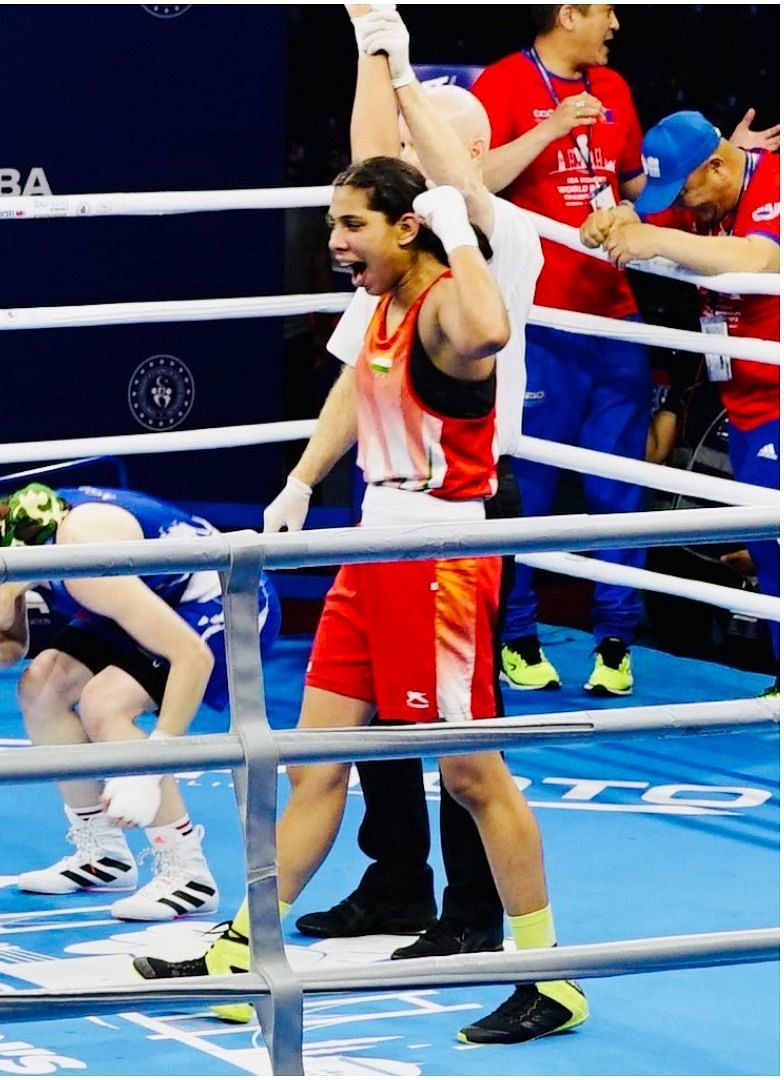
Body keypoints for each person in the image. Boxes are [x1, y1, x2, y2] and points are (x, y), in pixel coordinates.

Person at [139, 157, 590, 1046]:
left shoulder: (448, 310)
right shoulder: (382, 305)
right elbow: (354, 388)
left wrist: (461, 226)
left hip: (441, 559)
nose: (336, 243)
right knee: (314, 760)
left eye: (353, 226)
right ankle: (244, 949)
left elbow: (494, 328)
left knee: (470, 775)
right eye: (334, 224)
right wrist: (303, 480)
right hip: (368, 553)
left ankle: (549, 975)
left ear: (407, 227)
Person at [268, 6, 543, 961]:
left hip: (461, 504)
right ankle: (384, 886)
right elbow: (372, 154)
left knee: (467, 755)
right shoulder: (389, 276)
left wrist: (407, 73)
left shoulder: (489, 242)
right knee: (358, 735)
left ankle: (482, 922)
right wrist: (377, 44)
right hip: (385, 502)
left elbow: (431, 175)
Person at [0, 483, 279, 922]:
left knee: (106, 704)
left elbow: (191, 657)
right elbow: (16, 644)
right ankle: (103, 855)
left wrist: (153, 765)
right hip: (144, 595)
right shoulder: (3, 542)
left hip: (228, 600)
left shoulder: (83, 560)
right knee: (40, 687)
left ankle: (187, 873)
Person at [469, 3, 652, 695]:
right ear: (569, 11)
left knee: (619, 489)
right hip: (540, 320)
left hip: (616, 318)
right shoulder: (502, 84)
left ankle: (615, 643)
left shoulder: (616, 89)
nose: (616, 25)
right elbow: (470, 183)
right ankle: (517, 637)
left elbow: (638, 188)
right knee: (532, 490)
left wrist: (710, 170)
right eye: (606, 10)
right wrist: (548, 128)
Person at [579, 109, 780, 683]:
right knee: (768, 549)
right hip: (743, 398)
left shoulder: (774, 182)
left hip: (778, 396)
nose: (686, 208)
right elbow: (643, 214)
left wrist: (656, 236)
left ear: (718, 166)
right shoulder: (702, 190)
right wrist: (614, 219)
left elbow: (758, 257)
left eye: (688, 192)